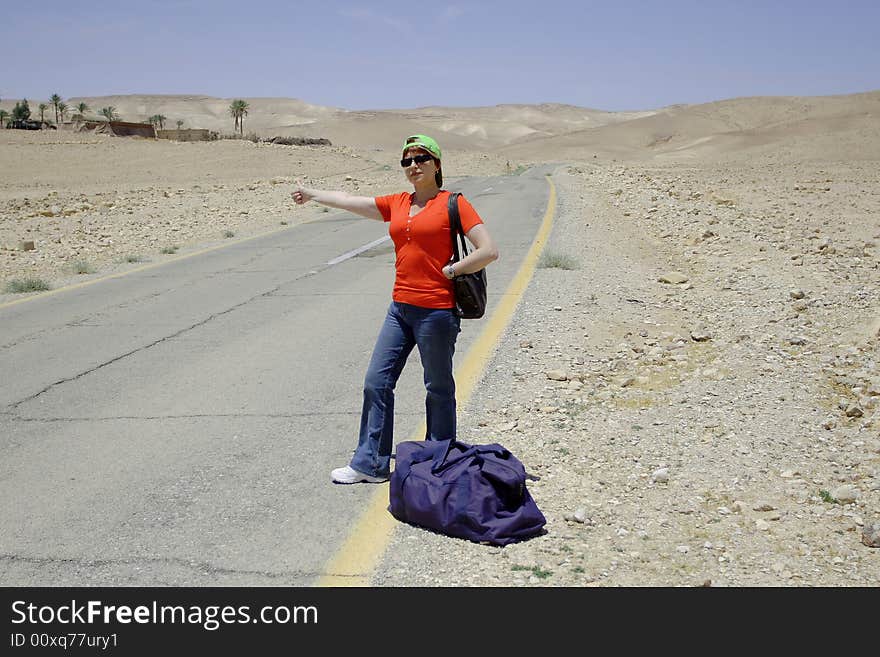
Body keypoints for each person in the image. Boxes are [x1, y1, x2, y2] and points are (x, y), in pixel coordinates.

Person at [291, 134, 499, 484]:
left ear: (437, 164)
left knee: (437, 387)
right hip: (400, 309)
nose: (413, 166)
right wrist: (314, 194)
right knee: (376, 381)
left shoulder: (454, 203)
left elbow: (489, 250)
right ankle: (370, 463)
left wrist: (452, 270)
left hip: (436, 311)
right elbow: (349, 201)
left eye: (421, 159)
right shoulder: (398, 204)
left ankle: (440, 461)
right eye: (407, 161)